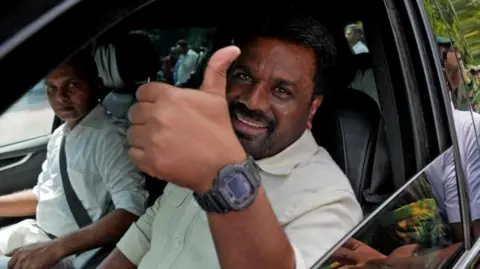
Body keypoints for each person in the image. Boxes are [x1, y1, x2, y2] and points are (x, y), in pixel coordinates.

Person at [99, 8, 362, 269]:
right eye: (244, 76)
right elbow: (148, 231)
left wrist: (223, 176)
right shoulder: (203, 142)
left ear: (312, 109)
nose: (252, 101)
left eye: (281, 90)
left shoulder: (330, 203)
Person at [0, 51, 148, 269]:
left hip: (71, 253)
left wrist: (55, 248)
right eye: (51, 88)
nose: (60, 97)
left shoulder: (111, 138)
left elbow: (131, 212)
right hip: (37, 233)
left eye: (72, 85)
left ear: (97, 86)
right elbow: (45, 195)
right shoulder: (60, 135)